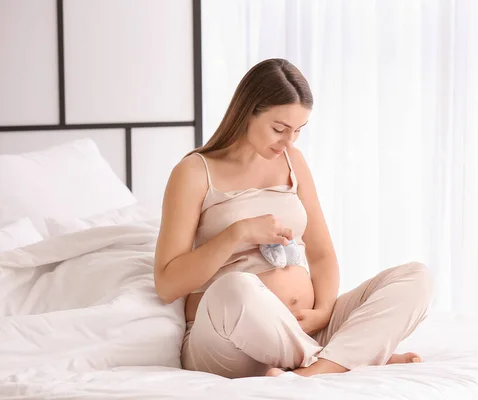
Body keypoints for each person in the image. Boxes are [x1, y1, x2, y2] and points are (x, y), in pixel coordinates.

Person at [153, 58, 434, 379]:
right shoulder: (193, 171)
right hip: (227, 340)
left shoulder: (293, 161)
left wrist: (324, 311)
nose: (289, 142)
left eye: (298, 130)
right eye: (279, 129)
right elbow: (167, 284)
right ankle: (348, 359)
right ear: (247, 112)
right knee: (235, 288)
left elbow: (322, 254)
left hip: (307, 329)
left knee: (416, 277)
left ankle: (316, 369)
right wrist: (237, 233)